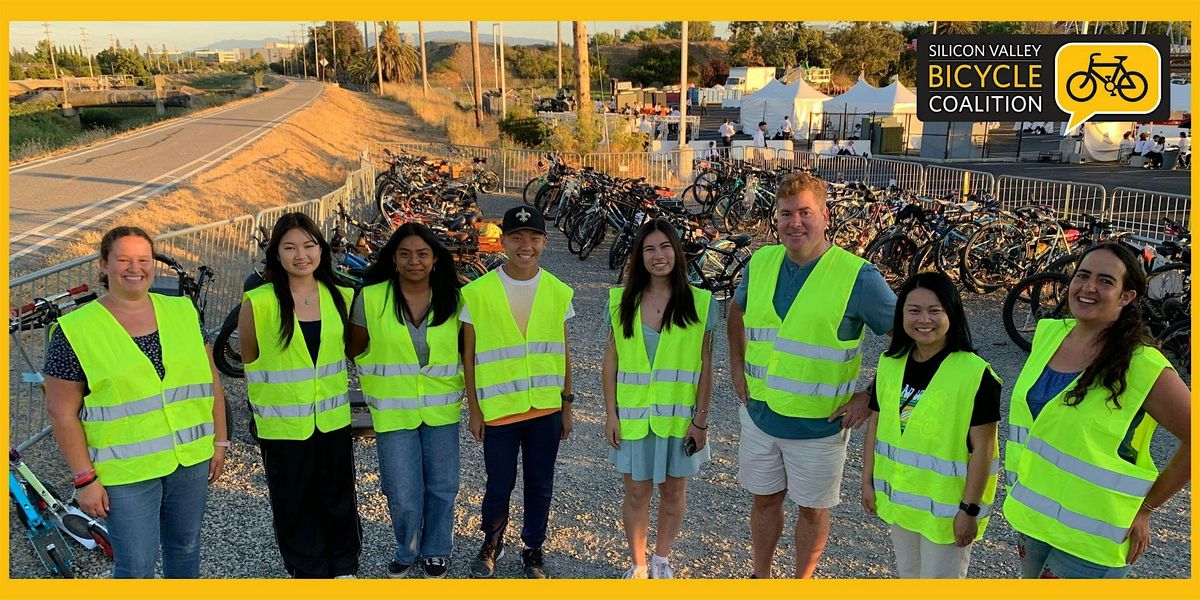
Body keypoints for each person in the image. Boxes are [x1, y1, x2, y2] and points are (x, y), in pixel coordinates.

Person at [727, 172, 897, 578]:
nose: (795, 223)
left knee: (812, 509)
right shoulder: (762, 261)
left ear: (825, 216)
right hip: (761, 417)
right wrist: (736, 366)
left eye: (805, 212)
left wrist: (869, 397)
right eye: (786, 213)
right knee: (765, 500)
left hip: (819, 426)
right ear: (776, 218)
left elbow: (908, 340)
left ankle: (802, 581)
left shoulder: (859, 277)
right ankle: (761, 577)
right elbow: (736, 309)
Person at [45, 226, 228, 579]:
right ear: (103, 265)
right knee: (136, 565)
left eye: (143, 259)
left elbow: (210, 380)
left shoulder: (183, 311)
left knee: (186, 549)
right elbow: (61, 411)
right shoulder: (75, 330)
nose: (135, 267)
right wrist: (85, 480)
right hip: (125, 474)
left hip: (188, 459)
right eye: (123, 259)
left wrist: (220, 441)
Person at [1005, 242, 1191, 579]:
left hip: (1093, 534)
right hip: (1035, 517)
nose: (1089, 287)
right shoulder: (1049, 335)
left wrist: (1147, 507)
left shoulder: (1143, 366)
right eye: (1083, 275)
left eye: (1106, 281)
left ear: (1126, 297)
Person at [238, 213, 360, 579]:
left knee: (338, 497)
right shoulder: (258, 302)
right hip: (282, 427)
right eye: (289, 247)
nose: (301, 255)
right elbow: (249, 358)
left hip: (332, 420)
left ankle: (343, 567)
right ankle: (307, 570)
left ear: (321, 250)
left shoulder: (342, 295)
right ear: (276, 254)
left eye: (309, 246)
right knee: (294, 504)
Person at [860, 272, 1001, 578]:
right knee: (909, 578)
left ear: (952, 313)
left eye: (935, 310)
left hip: (948, 511)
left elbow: (984, 449)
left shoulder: (976, 374)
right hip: (901, 500)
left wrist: (969, 510)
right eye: (914, 310)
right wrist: (867, 480)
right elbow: (876, 423)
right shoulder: (889, 363)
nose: (924, 320)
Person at [463, 206, 576, 579]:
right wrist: (475, 410)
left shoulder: (559, 291)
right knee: (499, 483)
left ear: (545, 242)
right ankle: (491, 542)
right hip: (499, 409)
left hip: (544, 409)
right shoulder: (477, 292)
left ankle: (533, 548)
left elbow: (563, 351)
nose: (525, 246)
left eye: (533, 238)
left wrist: (567, 404)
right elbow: (469, 356)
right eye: (516, 237)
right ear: (503, 241)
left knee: (540, 483)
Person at [347, 223, 464, 579]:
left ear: (435, 259)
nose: (415, 261)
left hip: (441, 410)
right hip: (393, 411)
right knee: (401, 490)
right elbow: (354, 349)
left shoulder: (457, 299)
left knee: (443, 486)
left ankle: (437, 550)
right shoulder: (370, 298)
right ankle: (407, 547)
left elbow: (468, 350)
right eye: (405, 254)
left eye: (423, 254)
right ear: (393, 259)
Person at [603, 220, 717, 579]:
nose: (658, 256)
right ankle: (638, 564)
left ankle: (661, 560)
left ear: (677, 253)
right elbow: (611, 360)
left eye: (665, 247)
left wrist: (701, 421)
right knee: (636, 493)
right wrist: (610, 414)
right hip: (634, 418)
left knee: (673, 491)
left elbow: (706, 365)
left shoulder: (701, 302)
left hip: (678, 420)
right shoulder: (621, 301)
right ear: (639, 256)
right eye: (649, 249)